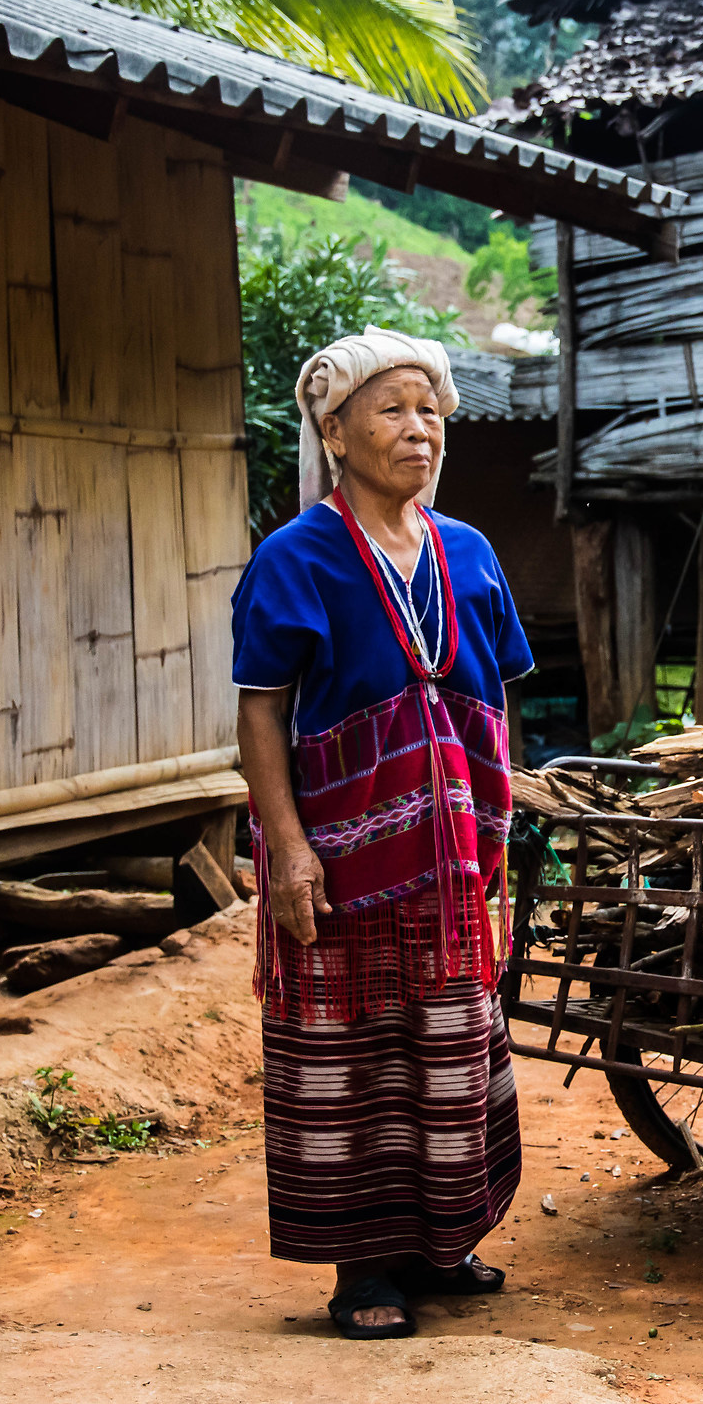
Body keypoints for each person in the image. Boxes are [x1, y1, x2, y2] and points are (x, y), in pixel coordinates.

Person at [230, 328, 535, 1340]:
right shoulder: (295, 557)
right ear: (337, 430)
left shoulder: (471, 552)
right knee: (354, 1051)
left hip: (449, 853)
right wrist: (288, 850)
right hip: (345, 851)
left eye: (432, 411)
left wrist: (496, 819)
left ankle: (440, 1242)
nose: (421, 429)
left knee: (448, 1041)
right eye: (394, 410)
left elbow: (494, 698)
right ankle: (366, 1266)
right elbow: (263, 710)